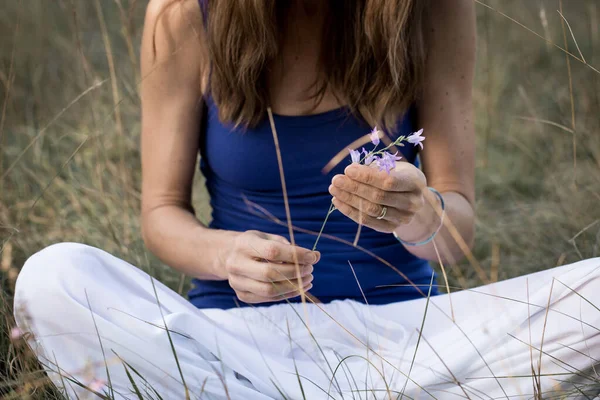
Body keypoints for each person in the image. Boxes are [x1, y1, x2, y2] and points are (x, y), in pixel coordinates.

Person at [14, 0, 600, 398]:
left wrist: (420, 212)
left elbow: (457, 230)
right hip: (233, 342)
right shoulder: (183, 12)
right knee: (50, 276)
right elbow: (161, 212)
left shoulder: (431, 9)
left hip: (409, 340)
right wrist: (226, 256)